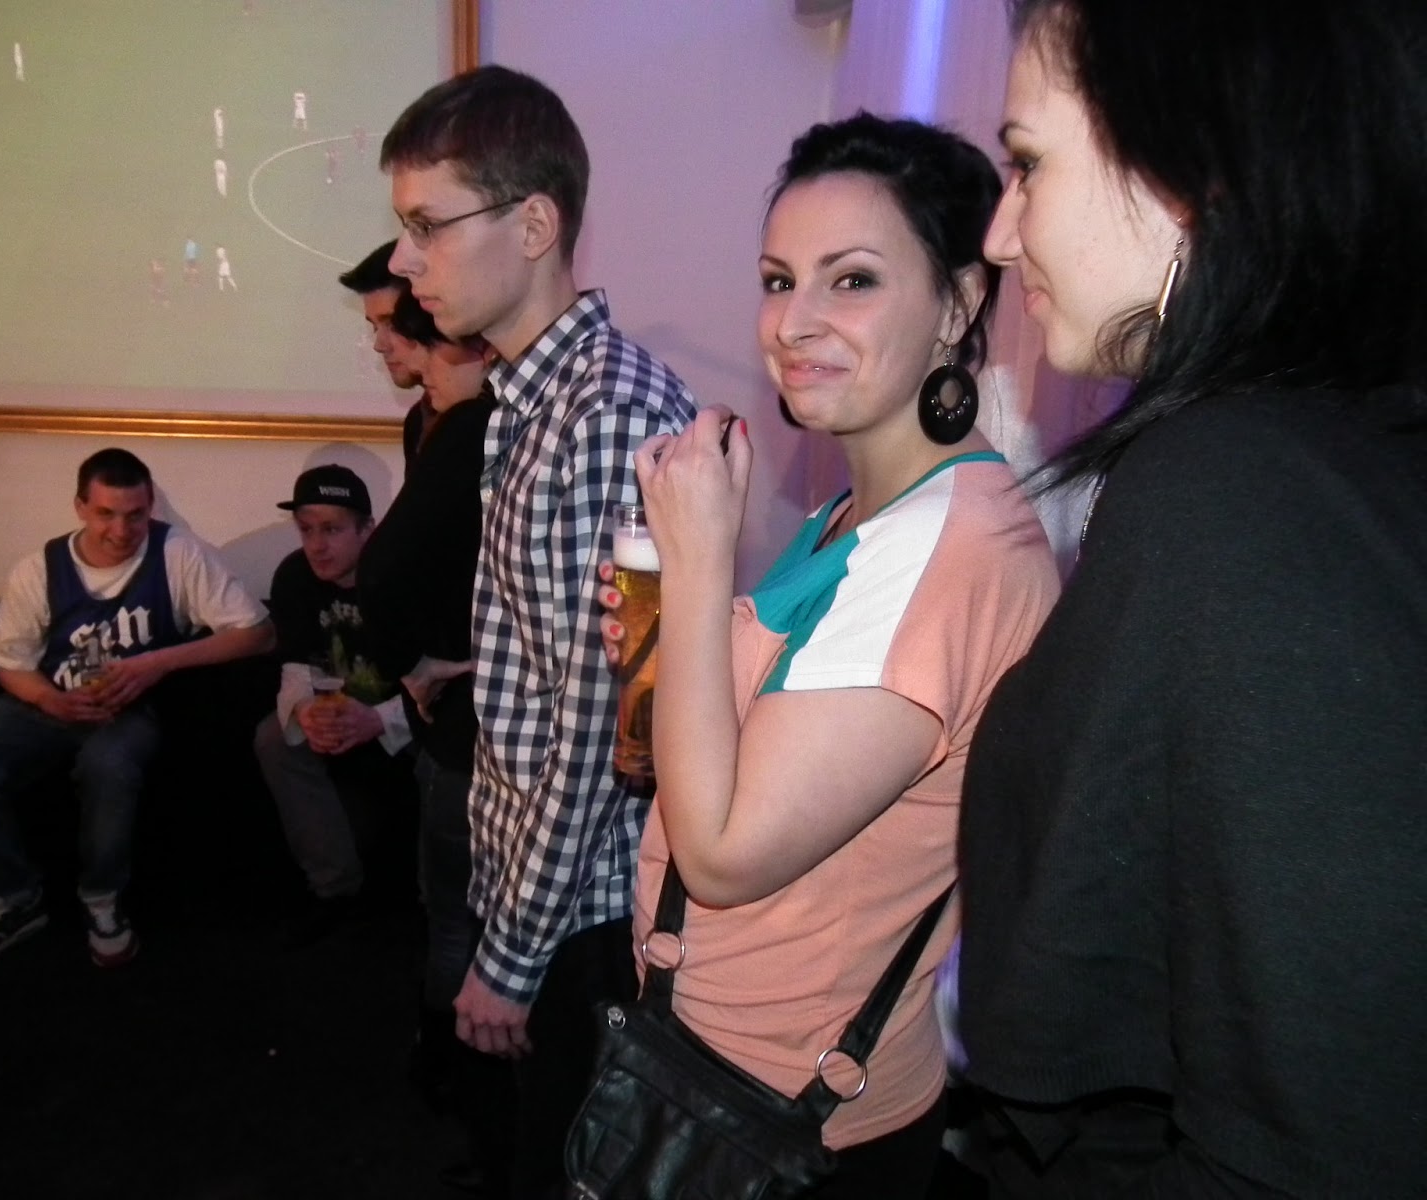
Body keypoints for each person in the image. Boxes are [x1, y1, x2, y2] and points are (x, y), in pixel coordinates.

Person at [956, 2, 1427, 1196]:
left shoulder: (1234, 492)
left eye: (1027, 163)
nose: (1001, 235)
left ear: (1186, 172)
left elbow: (1318, 1133)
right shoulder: (1315, 454)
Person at [601, 115, 1059, 1198]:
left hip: (788, 1128)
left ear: (959, 302)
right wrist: (683, 653)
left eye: (851, 280)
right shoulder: (859, 512)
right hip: (713, 1066)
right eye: (777, 280)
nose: (792, 322)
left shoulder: (945, 554)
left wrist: (697, 565)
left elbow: (722, 855)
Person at [382, 64, 697, 1196]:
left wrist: (510, 959)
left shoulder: (603, 411)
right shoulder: (529, 399)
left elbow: (600, 731)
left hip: (582, 917)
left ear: (532, 225)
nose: (404, 260)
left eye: (427, 225)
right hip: (538, 890)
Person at [0, 449, 272, 974]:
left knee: (109, 766)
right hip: (50, 700)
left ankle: (102, 899)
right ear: (80, 508)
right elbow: (9, 665)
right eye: (106, 514)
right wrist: (49, 698)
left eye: (135, 515)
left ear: (150, 507)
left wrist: (157, 662)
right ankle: (11, 900)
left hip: (130, 708)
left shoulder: (177, 553)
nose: (121, 530)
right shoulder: (39, 568)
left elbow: (257, 634)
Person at [351, 303, 502, 1187]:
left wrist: (421, 662)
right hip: (461, 722)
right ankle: (453, 1069)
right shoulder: (445, 423)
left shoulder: (474, 424)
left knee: (457, 912)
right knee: (455, 913)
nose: (384, 342)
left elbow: (390, 569)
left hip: (473, 722)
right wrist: (414, 664)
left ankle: (454, 1070)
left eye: (399, 329)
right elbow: (393, 570)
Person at [252, 466, 415, 945]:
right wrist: (306, 711)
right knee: (273, 737)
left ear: (367, 530)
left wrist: (379, 719)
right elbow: (294, 667)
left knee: (446, 753)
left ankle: (436, 902)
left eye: (332, 530)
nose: (317, 546)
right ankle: (336, 890)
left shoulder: (402, 577)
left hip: (406, 714)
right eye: (306, 530)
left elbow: (443, 685)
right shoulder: (294, 576)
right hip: (336, 709)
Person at [337, 241, 431, 468]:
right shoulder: (418, 421)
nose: (379, 345)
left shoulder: (496, 417)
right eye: (374, 326)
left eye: (393, 324)